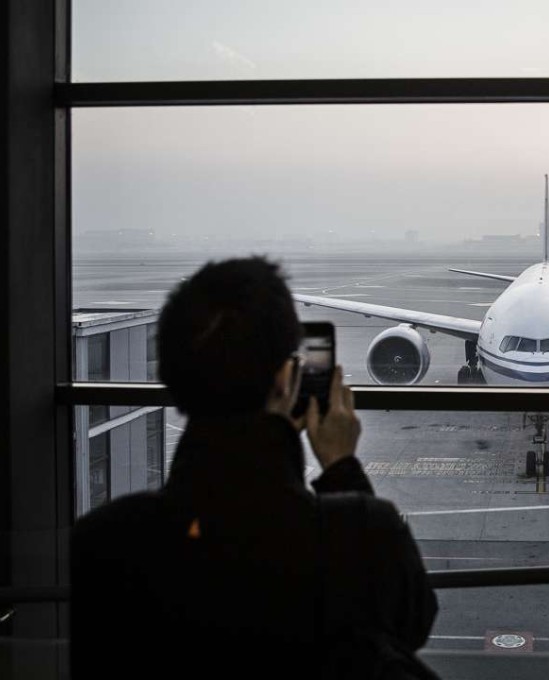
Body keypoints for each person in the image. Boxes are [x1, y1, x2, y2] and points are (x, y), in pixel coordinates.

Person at [71, 257, 437, 679]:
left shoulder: (101, 544)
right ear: (287, 379)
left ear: (172, 378)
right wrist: (340, 466)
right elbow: (412, 625)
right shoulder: (363, 532)